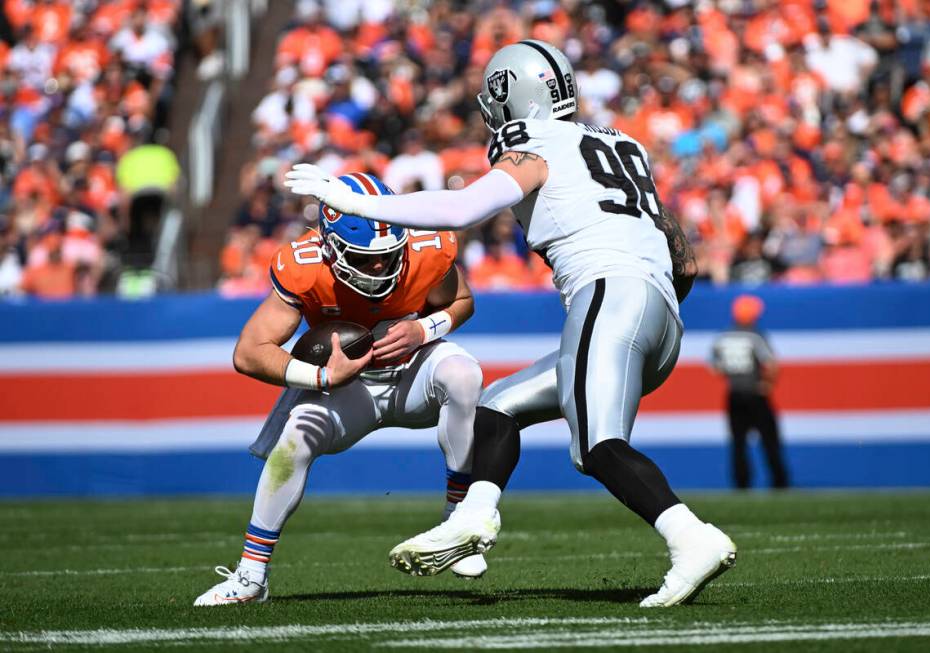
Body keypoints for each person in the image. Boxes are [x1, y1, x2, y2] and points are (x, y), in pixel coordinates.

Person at [285, 41, 736, 608]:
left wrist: (350, 202)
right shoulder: (622, 143)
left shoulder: (535, 142)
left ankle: (691, 538)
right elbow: (684, 258)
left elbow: (460, 210)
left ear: (510, 96)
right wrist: (651, 303)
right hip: (661, 309)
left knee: (597, 446)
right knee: (498, 407)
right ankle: (473, 516)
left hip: (610, 295)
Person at [193, 173, 485, 606]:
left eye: (388, 256)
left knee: (464, 374)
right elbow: (249, 352)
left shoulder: (426, 246)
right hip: (350, 389)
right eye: (366, 259)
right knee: (294, 439)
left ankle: (457, 522)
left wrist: (423, 328)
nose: (380, 267)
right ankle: (252, 577)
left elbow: (462, 301)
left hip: (414, 375)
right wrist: (323, 378)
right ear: (330, 247)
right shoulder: (305, 264)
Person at [710, 295, 789, 490]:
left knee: (738, 443)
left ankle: (741, 483)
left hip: (734, 393)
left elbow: (716, 367)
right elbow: (771, 364)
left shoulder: (723, 337)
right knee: (769, 440)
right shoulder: (755, 335)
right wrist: (767, 384)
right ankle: (779, 481)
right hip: (755, 392)